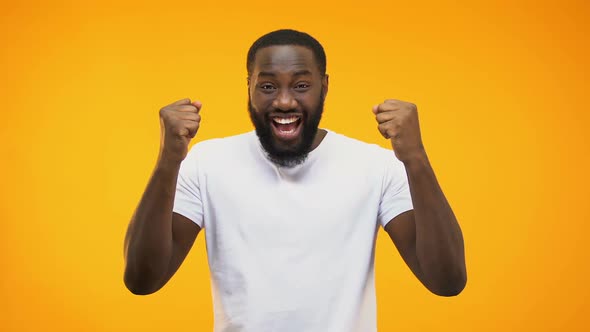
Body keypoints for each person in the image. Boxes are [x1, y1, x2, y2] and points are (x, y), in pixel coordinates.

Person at [123, 29, 467, 332]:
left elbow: (447, 281)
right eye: (268, 86)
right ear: (249, 87)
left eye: (301, 86)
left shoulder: (375, 166)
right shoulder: (206, 163)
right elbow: (142, 280)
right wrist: (169, 159)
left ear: (325, 86)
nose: (285, 101)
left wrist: (416, 158)